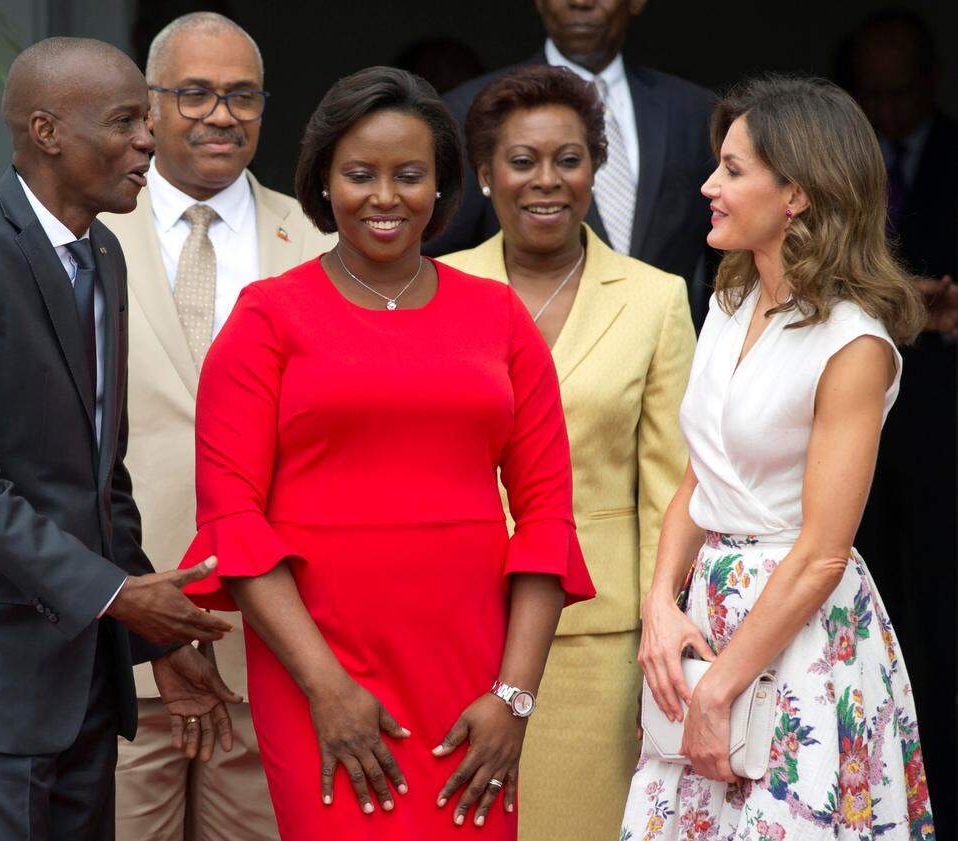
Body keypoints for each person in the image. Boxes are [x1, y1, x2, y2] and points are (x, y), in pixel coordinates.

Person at [176, 66, 595, 839]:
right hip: (318, 669)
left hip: (473, 679)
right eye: (359, 174)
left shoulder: (497, 315)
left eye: (410, 175)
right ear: (323, 183)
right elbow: (233, 520)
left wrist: (514, 698)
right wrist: (325, 687)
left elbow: (546, 520)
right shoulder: (268, 317)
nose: (384, 197)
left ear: (442, 188)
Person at [0, 38, 237, 841]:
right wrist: (116, 593)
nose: (148, 142)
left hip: (80, 682)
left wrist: (144, 629)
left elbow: (99, 478)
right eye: (127, 121)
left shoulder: (103, 254)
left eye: (148, 120)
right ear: (47, 131)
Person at [622, 76, 935, 839]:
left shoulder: (854, 344)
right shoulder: (728, 303)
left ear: (795, 193)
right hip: (708, 615)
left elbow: (824, 553)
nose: (709, 186)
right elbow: (698, 477)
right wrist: (660, 606)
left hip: (800, 635)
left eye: (732, 169)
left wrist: (720, 689)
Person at [439, 65, 694, 841]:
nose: (545, 181)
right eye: (521, 161)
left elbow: (671, 488)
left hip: (597, 642)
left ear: (595, 168)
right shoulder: (433, 289)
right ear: (484, 175)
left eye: (569, 159)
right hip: (453, 625)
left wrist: (666, 624)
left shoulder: (655, 297)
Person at [99, 12, 334, 841]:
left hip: (273, 653)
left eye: (241, 96)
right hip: (120, 641)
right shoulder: (84, 237)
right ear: (148, 107)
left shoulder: (322, 245)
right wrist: (136, 615)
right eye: (194, 94)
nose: (220, 115)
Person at [839, 13, 957, 828]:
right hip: (838, 426)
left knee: (943, 612)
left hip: (944, 428)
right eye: (869, 95)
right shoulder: (826, 177)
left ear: (933, 81)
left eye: (900, 91)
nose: (886, 111)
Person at [428, 0, 716, 326]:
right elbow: (436, 260)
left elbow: (728, 265)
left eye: (567, 160)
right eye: (523, 161)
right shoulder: (466, 110)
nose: (580, 2)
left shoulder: (695, 112)